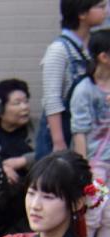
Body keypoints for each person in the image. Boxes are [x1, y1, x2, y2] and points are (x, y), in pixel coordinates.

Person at [40, 0, 107, 157]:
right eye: (100, 7)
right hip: (63, 130)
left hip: (92, 133)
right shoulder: (58, 50)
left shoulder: (94, 44)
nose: (106, 11)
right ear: (82, 13)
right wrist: (58, 142)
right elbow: (52, 98)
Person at [71, 30, 110, 237]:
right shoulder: (84, 89)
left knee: (109, 216)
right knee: (93, 213)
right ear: (103, 57)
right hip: (96, 163)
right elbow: (79, 130)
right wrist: (84, 168)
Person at [0, 78, 35, 237]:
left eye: (26, 101)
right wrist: (2, 167)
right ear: (0, 108)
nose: (24, 107)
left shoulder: (36, 130)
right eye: (17, 103)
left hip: (24, 206)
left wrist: (23, 161)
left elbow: (48, 155)